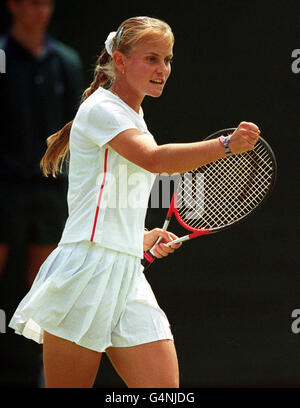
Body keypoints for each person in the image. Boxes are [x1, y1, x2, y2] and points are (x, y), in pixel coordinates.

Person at [9, 16, 260, 388]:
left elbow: (109, 195)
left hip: (127, 274)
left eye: (168, 59)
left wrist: (137, 237)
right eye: (152, 58)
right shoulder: (101, 109)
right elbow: (154, 159)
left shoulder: (134, 116)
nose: (163, 69)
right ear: (121, 62)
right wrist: (225, 146)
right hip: (85, 271)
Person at [0, 0, 83, 287]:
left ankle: (33, 335)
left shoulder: (66, 62)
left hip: (50, 187)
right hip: (4, 185)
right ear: (14, 5)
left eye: (47, 4)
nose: (42, 11)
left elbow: (74, 128)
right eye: (35, 3)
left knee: (44, 286)